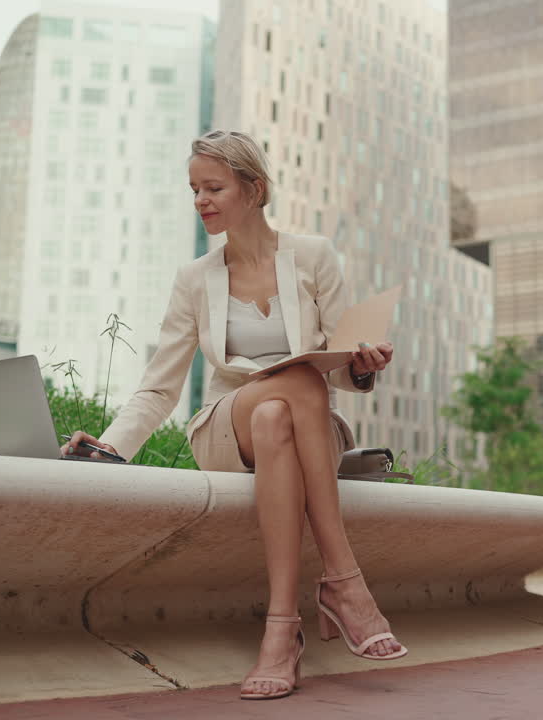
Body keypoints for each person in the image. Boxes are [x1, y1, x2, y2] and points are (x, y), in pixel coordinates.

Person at [63, 130, 406, 700]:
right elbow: (160, 388)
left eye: (214, 187)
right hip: (228, 427)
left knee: (282, 410)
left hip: (306, 428)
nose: (200, 200)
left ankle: (281, 630)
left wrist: (365, 364)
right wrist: (110, 446)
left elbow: (344, 365)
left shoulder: (315, 257)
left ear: (255, 189)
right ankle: (344, 584)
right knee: (290, 383)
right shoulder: (195, 279)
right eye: (195, 188)